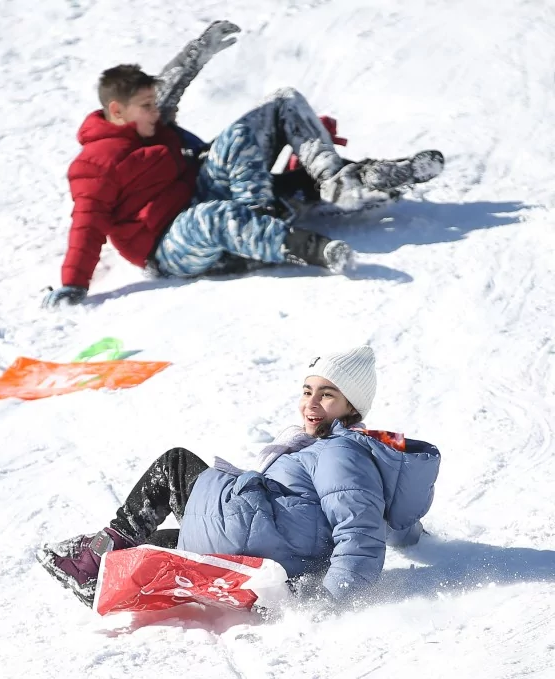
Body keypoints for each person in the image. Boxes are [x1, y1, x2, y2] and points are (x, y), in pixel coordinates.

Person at [42, 21, 444, 309]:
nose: (156, 111)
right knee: (211, 218)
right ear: (117, 111)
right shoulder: (94, 164)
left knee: (272, 108)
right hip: (167, 246)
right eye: (147, 106)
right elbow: (87, 226)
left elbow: (166, 87)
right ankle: (304, 244)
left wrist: (196, 52)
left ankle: (330, 181)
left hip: (201, 193)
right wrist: (73, 285)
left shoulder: (149, 121)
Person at [37, 346, 442, 608]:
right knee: (163, 542)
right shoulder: (335, 450)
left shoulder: (340, 451)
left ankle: (93, 557)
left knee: (174, 465)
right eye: (307, 391)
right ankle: (107, 579)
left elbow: (359, 531)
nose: (312, 403)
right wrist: (415, 535)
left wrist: (332, 602)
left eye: (327, 394)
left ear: (351, 408)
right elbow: (380, 517)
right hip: (269, 546)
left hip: (261, 537)